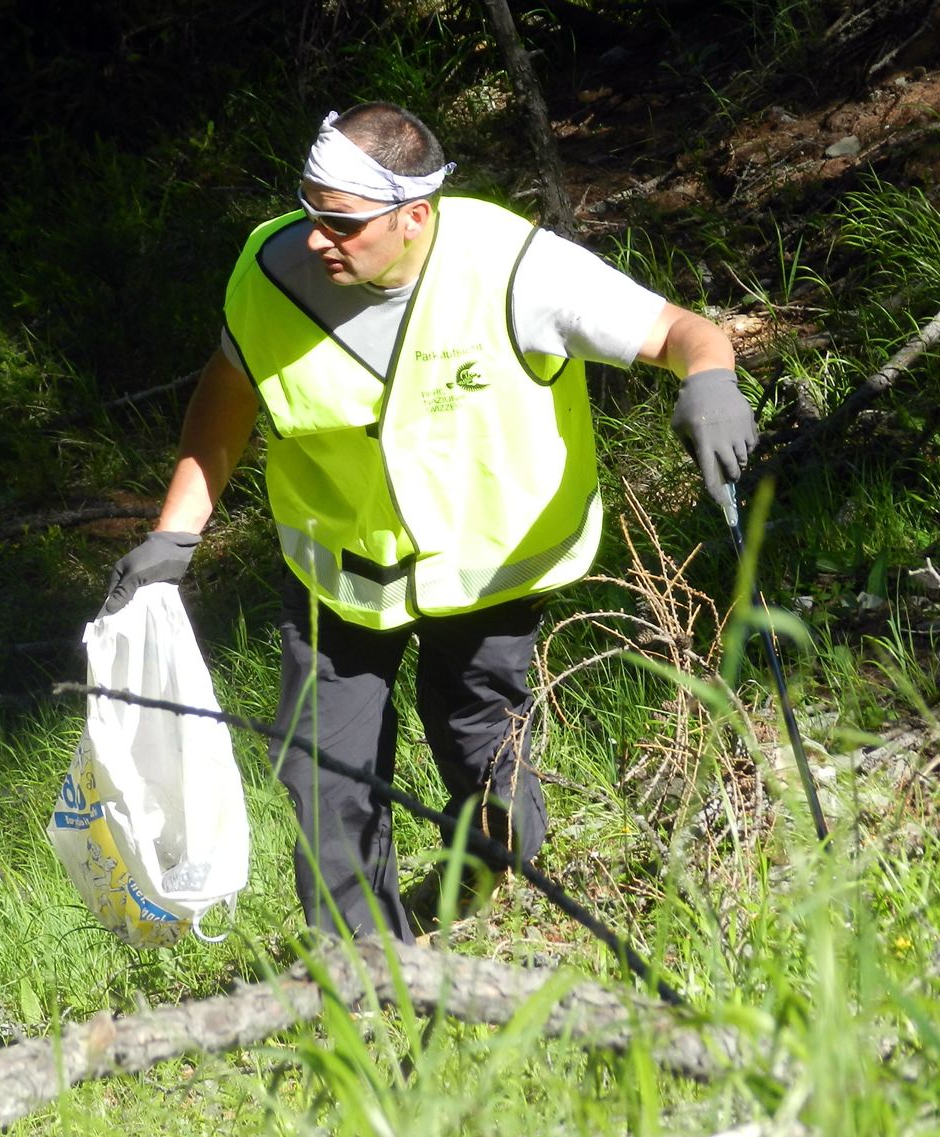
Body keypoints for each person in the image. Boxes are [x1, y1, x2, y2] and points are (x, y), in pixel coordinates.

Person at [100, 102, 757, 943]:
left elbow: (679, 331)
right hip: (340, 570)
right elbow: (231, 384)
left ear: (414, 216)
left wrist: (710, 381)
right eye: (309, 211)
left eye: (342, 222)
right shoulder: (272, 270)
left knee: (482, 756)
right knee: (321, 771)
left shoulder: (513, 269)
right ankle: (369, 968)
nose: (317, 238)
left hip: (487, 571)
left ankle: (482, 870)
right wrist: (176, 531)